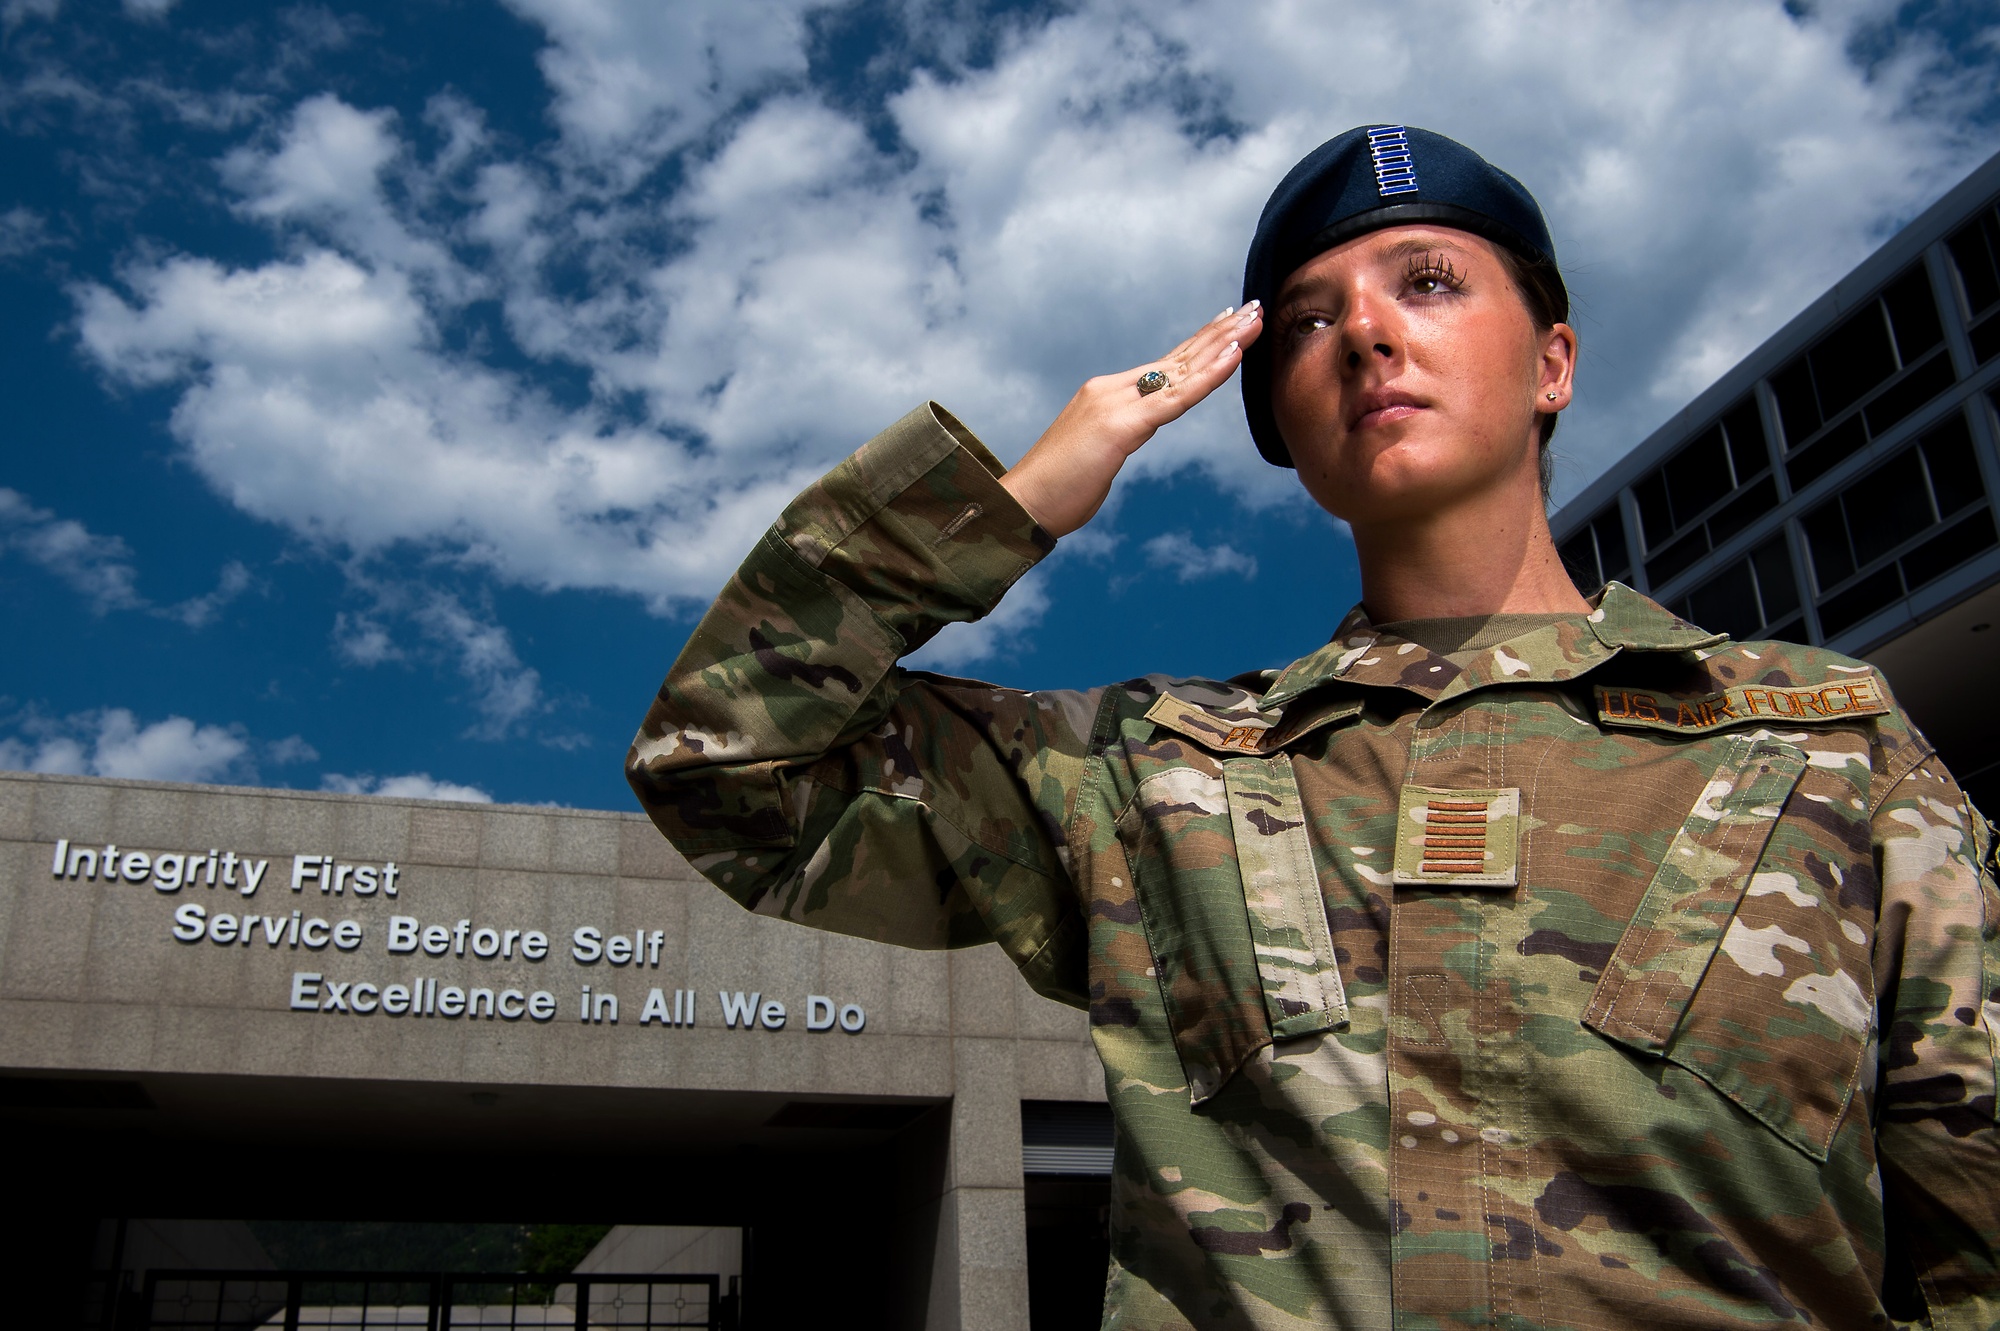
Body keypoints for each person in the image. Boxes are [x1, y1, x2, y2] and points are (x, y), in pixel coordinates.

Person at [626, 125, 2000, 1328]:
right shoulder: (1150, 778)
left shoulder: (1828, 752)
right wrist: (1020, 496)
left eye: (1431, 283)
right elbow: (729, 771)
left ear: (1555, 363)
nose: (1365, 333)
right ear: (1278, 409)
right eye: (1304, 321)